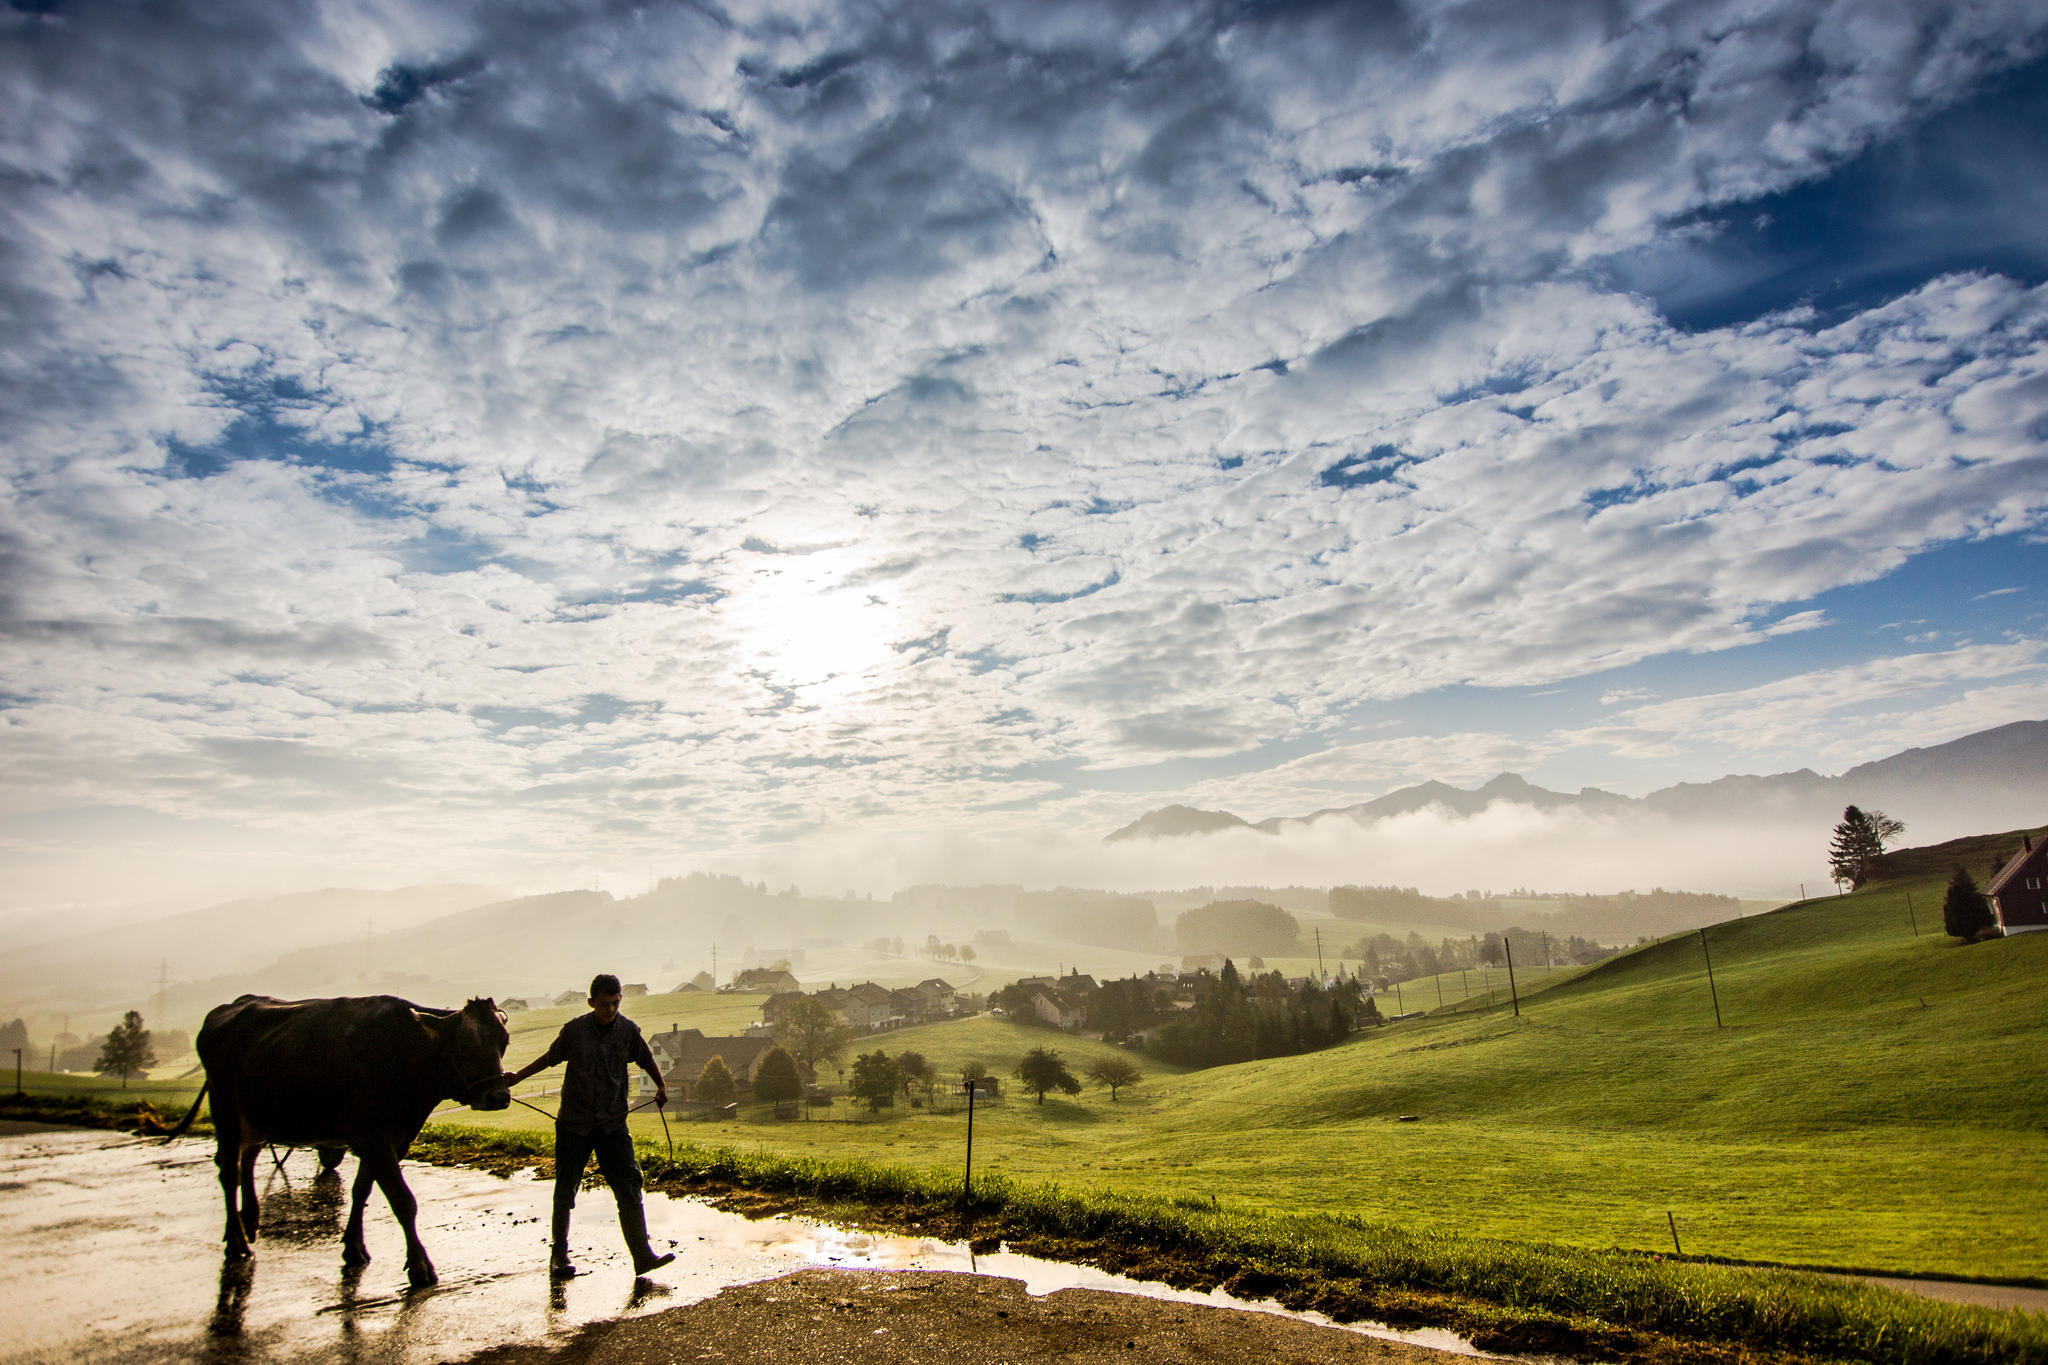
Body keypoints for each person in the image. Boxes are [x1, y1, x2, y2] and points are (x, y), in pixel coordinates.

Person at [502, 973, 675, 1277]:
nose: (610, 1009)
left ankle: (642, 1256)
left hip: (613, 1124)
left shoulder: (629, 1032)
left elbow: (646, 1059)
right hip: (574, 1124)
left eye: (615, 1003)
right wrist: (518, 1078)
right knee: (566, 1188)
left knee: (629, 1184)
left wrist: (661, 1086)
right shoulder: (574, 1031)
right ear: (591, 1002)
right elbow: (548, 1059)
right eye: (604, 1004)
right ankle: (558, 1257)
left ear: (620, 999)